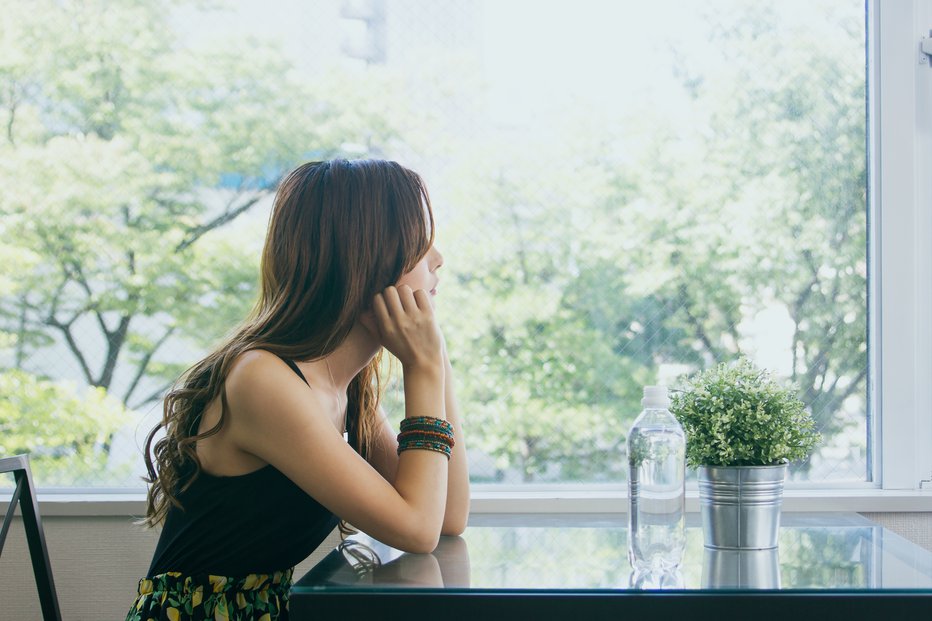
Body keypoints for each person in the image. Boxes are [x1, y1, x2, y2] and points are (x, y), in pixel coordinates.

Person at [125, 159, 469, 621]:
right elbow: (418, 529)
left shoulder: (346, 390)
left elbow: (446, 517)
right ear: (367, 258)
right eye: (419, 242)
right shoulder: (263, 380)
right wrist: (421, 367)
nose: (438, 257)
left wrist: (435, 356)